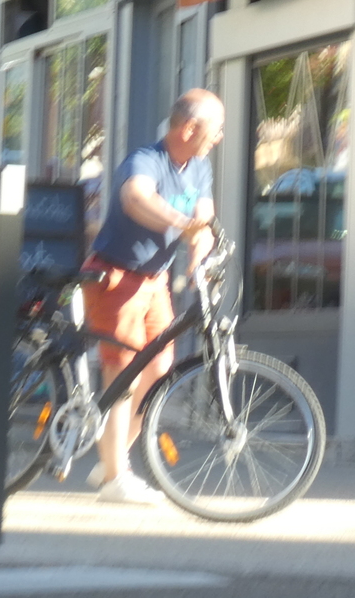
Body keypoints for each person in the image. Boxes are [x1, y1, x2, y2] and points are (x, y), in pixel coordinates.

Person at [80, 89, 225, 504]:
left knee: (159, 370)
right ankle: (116, 478)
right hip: (116, 276)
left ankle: (111, 460)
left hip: (154, 280)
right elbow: (135, 199)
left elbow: (204, 217)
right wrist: (183, 224)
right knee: (122, 374)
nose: (219, 137)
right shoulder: (146, 160)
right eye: (216, 128)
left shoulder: (199, 166)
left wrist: (198, 254)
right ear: (190, 128)